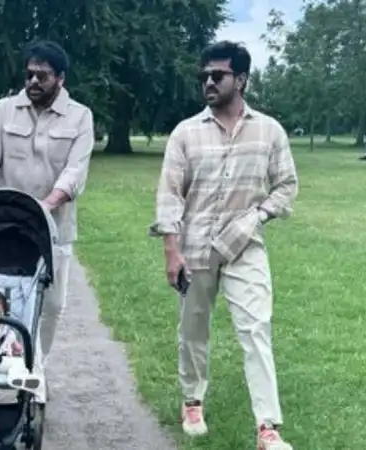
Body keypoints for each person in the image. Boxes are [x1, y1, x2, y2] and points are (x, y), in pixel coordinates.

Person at [150, 41, 298, 450]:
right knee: (193, 327)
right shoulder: (186, 133)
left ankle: (268, 428)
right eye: (204, 76)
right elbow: (169, 194)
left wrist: (259, 215)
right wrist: (171, 248)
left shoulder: (269, 131)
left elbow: (286, 186)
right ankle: (192, 400)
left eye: (218, 75)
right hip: (195, 245)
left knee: (256, 329)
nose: (208, 83)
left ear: (242, 80)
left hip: (245, 245)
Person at [0, 40, 95, 385]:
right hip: (5, 226)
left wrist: (47, 204)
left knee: (51, 305)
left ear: (61, 78)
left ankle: (33, 366)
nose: (33, 82)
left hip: (54, 227)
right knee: (0, 296)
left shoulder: (80, 117)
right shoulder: (4, 109)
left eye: (42, 75)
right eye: (29, 74)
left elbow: (75, 172)